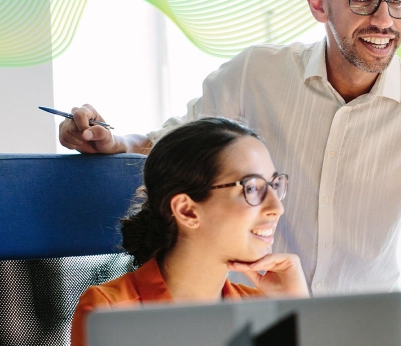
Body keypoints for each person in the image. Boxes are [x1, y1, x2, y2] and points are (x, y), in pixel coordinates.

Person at [58, 0, 401, 334]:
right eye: (363, 0)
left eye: (396, 1)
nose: (385, 20)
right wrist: (115, 142)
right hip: (245, 320)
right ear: (319, 4)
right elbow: (184, 143)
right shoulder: (256, 73)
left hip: (358, 331)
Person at [70, 118, 309, 346]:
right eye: (252, 188)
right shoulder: (110, 312)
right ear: (187, 211)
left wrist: (297, 309)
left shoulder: (261, 307)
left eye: (275, 185)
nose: (277, 207)